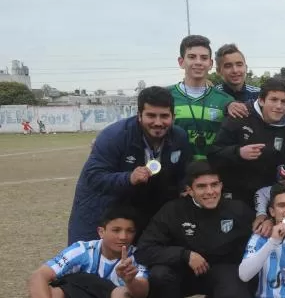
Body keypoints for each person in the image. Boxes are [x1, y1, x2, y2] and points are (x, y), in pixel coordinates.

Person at [136, 161, 255, 298]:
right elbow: (144, 250)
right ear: (189, 189)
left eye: (214, 185)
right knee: (160, 274)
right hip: (183, 271)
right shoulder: (173, 211)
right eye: (201, 187)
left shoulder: (237, 209)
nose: (210, 192)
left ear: (221, 185)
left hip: (221, 270)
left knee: (236, 296)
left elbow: (258, 239)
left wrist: (263, 221)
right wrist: (184, 255)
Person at [67, 86, 192, 243]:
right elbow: (94, 176)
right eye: (151, 115)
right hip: (102, 208)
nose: (158, 122)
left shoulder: (179, 137)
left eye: (164, 116)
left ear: (173, 117)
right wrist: (128, 178)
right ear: (139, 115)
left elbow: (183, 173)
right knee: (92, 261)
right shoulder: (115, 136)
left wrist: (185, 187)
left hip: (144, 208)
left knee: (139, 259)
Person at [208, 77, 285, 206]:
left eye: (284, 102)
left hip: (267, 197)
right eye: (274, 100)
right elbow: (213, 154)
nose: (279, 106)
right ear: (262, 100)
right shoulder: (240, 115)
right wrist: (239, 152)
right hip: (234, 196)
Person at [168, 35, 233, 159]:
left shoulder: (225, 100)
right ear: (181, 62)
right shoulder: (166, 96)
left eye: (204, 58)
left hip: (212, 173)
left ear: (210, 63)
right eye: (192, 57)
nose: (198, 62)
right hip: (176, 174)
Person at [213, 43, 260, 114]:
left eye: (239, 65)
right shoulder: (213, 96)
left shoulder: (258, 94)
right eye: (228, 66)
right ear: (218, 71)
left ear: (246, 68)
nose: (235, 70)